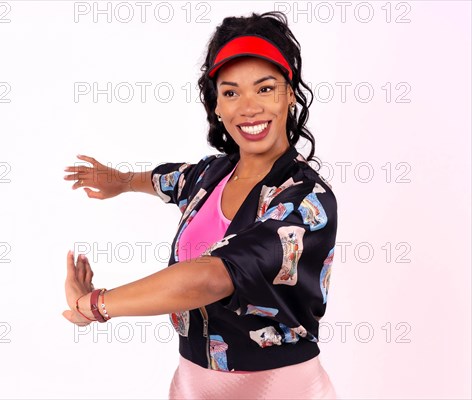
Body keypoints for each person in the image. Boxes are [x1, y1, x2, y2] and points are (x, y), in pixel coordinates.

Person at [62, 11, 339, 400]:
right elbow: (167, 179)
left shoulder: (305, 199)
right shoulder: (210, 176)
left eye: (264, 88)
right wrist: (122, 182)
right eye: (231, 92)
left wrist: (95, 304)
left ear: (289, 94)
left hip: (278, 388)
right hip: (192, 384)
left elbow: (210, 277)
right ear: (218, 106)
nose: (248, 107)